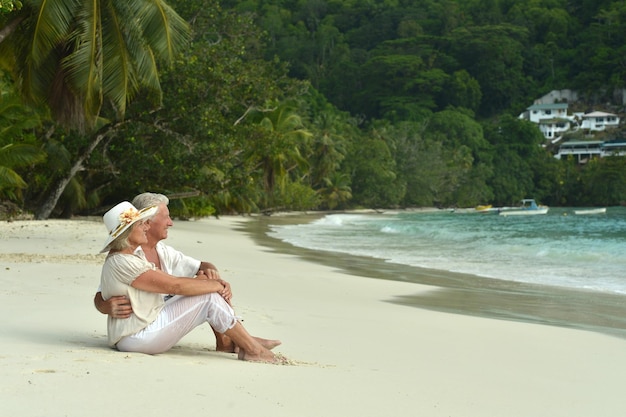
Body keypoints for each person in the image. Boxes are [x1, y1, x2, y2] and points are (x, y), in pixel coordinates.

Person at [98, 201, 280, 362]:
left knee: (206, 289)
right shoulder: (122, 261)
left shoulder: (131, 255)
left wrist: (212, 283)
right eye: (140, 225)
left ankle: (239, 342)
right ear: (128, 233)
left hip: (143, 326)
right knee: (208, 296)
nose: (145, 227)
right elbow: (174, 285)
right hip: (136, 336)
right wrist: (218, 285)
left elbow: (184, 279)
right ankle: (252, 349)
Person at [93, 192, 241, 352]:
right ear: (148, 221)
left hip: (157, 310)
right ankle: (242, 342)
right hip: (141, 324)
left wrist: (213, 275)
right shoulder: (126, 256)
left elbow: (201, 266)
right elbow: (103, 291)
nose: (170, 223)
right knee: (208, 289)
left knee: (207, 282)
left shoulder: (163, 251)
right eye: (166, 217)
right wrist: (103, 305)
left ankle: (230, 340)